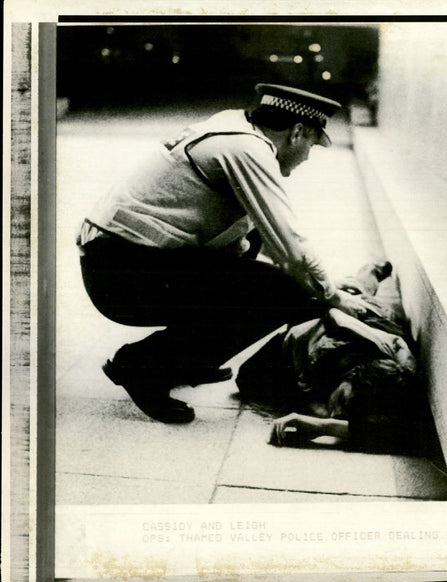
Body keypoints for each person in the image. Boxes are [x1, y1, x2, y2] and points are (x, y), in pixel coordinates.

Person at [77, 83, 376, 424]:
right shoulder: (248, 149)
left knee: (255, 254)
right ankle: (142, 366)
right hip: (119, 277)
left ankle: (186, 360)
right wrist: (333, 296)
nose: (308, 156)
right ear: (296, 133)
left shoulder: (234, 127)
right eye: (312, 143)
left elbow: (262, 249)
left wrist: (315, 283)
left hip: (121, 262)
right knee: (286, 292)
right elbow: (291, 245)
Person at [235, 261, 424, 453]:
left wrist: (324, 426)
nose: (336, 413)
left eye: (348, 411)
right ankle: (372, 271)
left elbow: (409, 431)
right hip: (347, 316)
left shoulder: (395, 378)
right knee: (358, 292)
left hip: (366, 324)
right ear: (352, 375)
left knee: (356, 291)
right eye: (342, 401)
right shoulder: (318, 347)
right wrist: (308, 395)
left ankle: (363, 277)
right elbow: (252, 373)